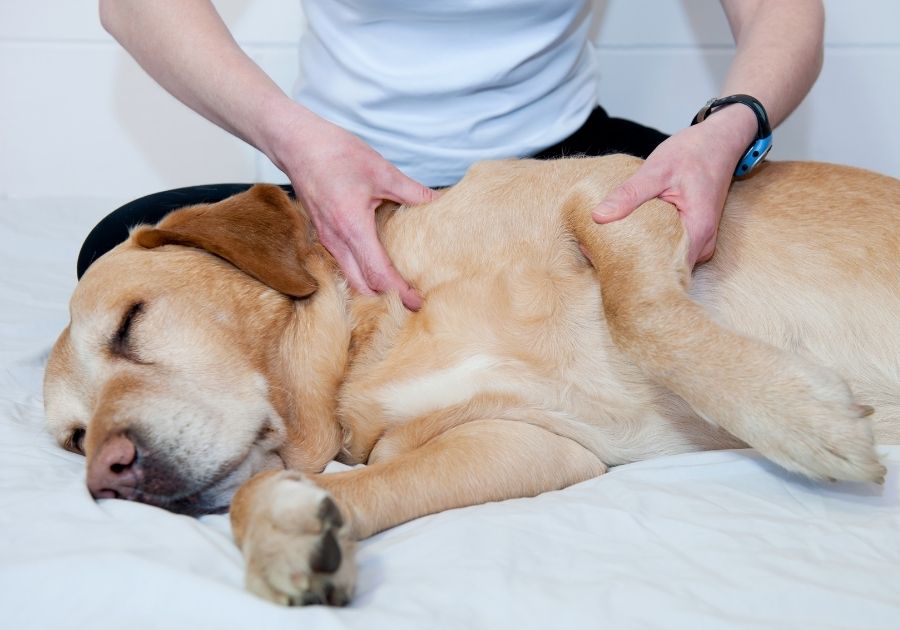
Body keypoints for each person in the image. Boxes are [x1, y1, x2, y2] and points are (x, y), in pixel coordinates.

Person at [82, 0, 825, 311]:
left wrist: (729, 127)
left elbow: (780, 9)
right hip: (338, 186)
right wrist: (293, 137)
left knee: (779, 255)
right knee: (119, 260)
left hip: (557, 175)